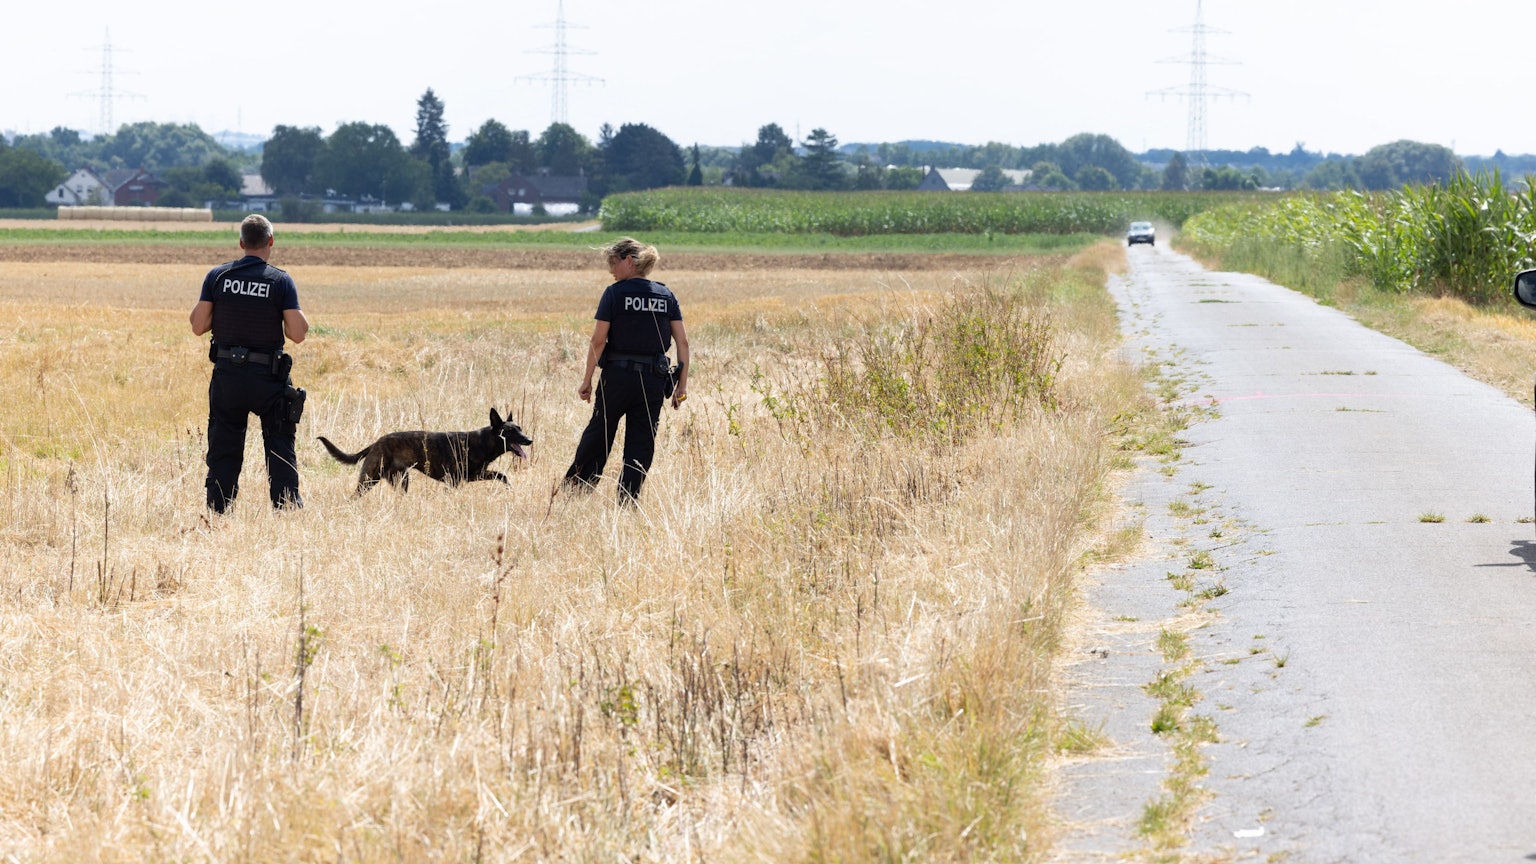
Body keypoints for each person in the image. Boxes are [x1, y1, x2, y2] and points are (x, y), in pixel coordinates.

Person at [189, 214, 310, 513]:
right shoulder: (280, 281)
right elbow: (297, 333)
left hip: (228, 375)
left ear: (241, 243)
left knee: (225, 445)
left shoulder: (218, 277)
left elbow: (197, 325)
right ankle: (286, 507)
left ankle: (218, 508)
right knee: (279, 443)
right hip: (267, 377)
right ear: (270, 241)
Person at [563, 237, 689, 503]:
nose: (610, 269)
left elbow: (598, 341)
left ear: (629, 262)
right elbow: (682, 342)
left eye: (613, 262)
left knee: (599, 434)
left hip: (617, 378)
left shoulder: (615, 293)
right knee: (642, 441)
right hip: (654, 380)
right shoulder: (666, 295)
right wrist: (682, 386)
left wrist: (587, 379)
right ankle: (628, 499)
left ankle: (576, 492)